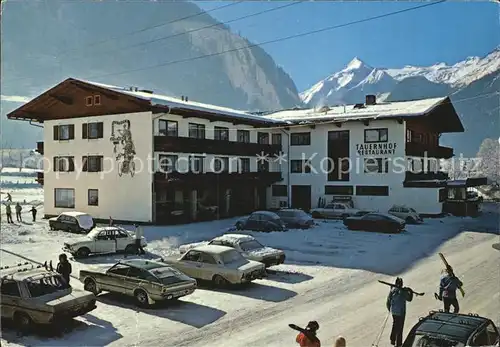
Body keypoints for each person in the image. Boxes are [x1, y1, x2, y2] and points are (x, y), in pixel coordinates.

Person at [386, 277, 413, 347]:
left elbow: (388, 302)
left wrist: (390, 309)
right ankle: (398, 344)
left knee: (395, 324)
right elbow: (409, 299)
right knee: (400, 328)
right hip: (401, 313)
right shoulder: (403, 292)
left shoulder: (392, 290)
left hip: (394, 312)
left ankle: (392, 339)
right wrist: (410, 292)